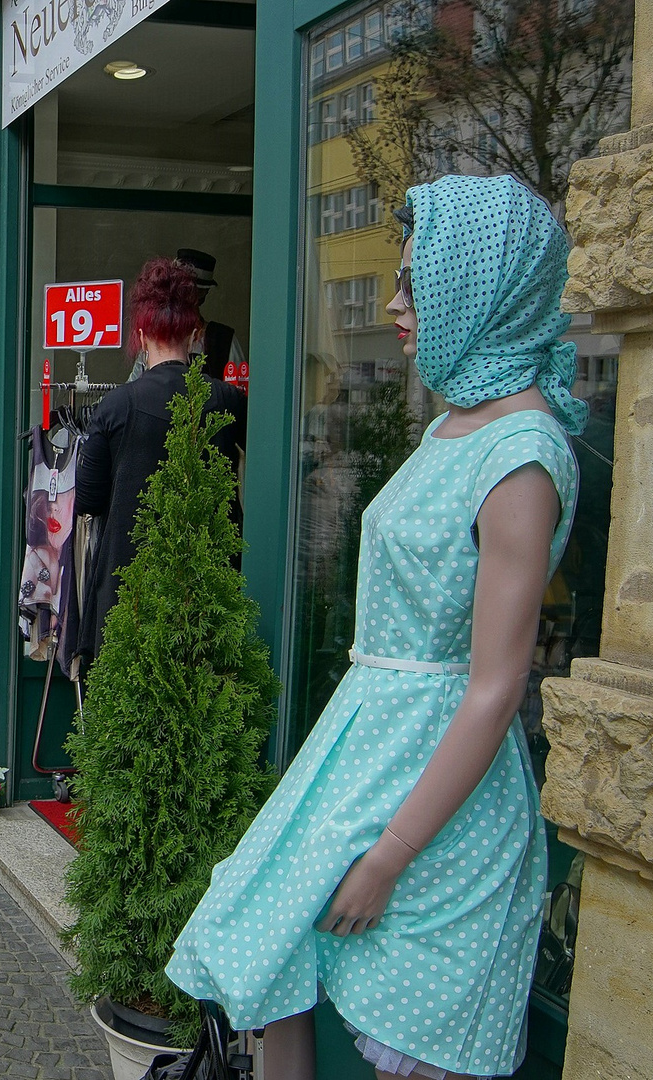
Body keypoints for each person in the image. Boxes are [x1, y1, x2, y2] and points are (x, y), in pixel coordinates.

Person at [167, 175, 583, 1080]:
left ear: (480, 285)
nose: (393, 304)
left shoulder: (520, 456)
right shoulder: (453, 425)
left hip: (435, 782)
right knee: (271, 954)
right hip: (365, 745)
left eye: (414, 282)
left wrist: (392, 853)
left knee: (395, 1022)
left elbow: (494, 685)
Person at [70, 257, 247, 671]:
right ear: (195, 332)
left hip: (128, 589)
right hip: (208, 583)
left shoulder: (114, 407)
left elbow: (90, 501)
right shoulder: (226, 400)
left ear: (141, 333)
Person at [176, 248, 249, 390]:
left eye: (188, 291)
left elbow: (240, 397)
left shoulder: (223, 340)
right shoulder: (155, 336)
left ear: (203, 293)